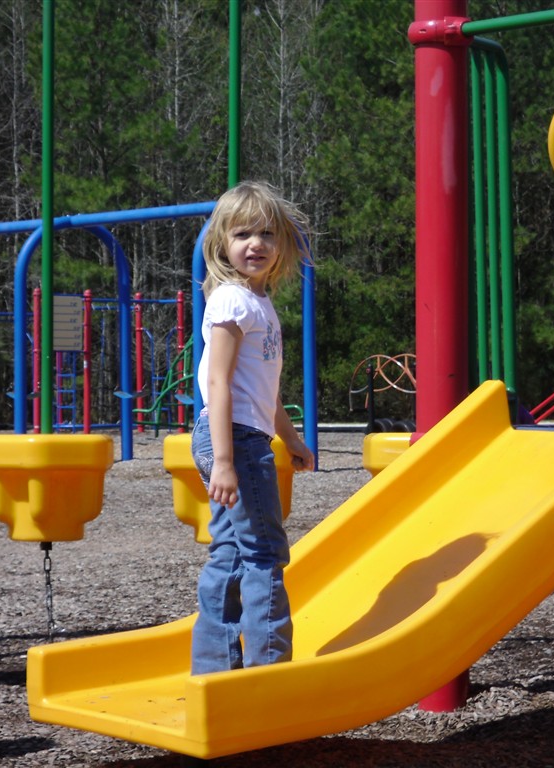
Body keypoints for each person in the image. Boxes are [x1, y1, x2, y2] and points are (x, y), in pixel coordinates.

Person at [190, 181, 315, 675]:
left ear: (282, 242)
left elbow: (263, 392)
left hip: (239, 433)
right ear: (222, 242)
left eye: (266, 233)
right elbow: (217, 383)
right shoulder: (233, 301)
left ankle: (215, 668)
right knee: (265, 552)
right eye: (242, 234)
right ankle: (269, 670)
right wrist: (224, 461)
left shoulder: (257, 303)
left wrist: (290, 437)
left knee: (231, 551)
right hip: (234, 439)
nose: (255, 244)